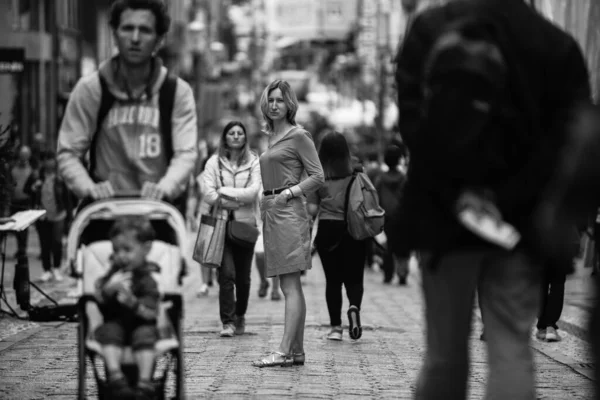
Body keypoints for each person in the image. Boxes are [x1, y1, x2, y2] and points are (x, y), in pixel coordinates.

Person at [394, 0, 591, 399]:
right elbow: (570, 144)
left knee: (444, 354)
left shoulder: (430, 27)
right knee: (511, 347)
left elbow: (415, 127)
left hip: (444, 215)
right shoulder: (557, 45)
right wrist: (514, 198)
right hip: (521, 222)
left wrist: (460, 194)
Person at [57, 0, 197, 207]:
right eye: (127, 28)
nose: (135, 38)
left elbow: (185, 154)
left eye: (145, 30)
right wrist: (89, 188)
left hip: (158, 210)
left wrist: (165, 187)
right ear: (114, 34)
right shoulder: (91, 89)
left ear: (159, 40)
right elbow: (68, 152)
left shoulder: (177, 92)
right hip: (104, 209)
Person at [252, 80, 324, 367]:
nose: (274, 105)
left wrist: (291, 191)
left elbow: (318, 176)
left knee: (290, 286)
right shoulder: (271, 137)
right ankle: (296, 352)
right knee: (290, 285)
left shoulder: (299, 136)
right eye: (270, 100)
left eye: (280, 100)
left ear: (289, 103)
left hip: (288, 211)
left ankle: (283, 350)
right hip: (272, 211)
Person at [200, 121, 261, 337]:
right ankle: (227, 321)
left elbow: (254, 192)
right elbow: (207, 193)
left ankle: (240, 314)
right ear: (225, 137)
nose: (235, 136)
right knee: (226, 273)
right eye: (231, 133)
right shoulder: (213, 163)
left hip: (245, 225)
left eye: (239, 133)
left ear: (245, 138)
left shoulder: (254, 162)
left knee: (243, 277)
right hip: (220, 224)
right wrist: (232, 199)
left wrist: (224, 192)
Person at [307, 131, 367, 341]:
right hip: (355, 230)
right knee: (355, 278)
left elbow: (312, 210)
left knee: (333, 281)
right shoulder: (357, 170)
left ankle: (335, 328)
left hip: (327, 231)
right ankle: (353, 307)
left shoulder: (317, 175)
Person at [93, 216, 161, 399]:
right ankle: (116, 378)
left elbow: (151, 310)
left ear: (146, 249)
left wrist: (134, 303)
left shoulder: (146, 278)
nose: (121, 255)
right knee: (108, 331)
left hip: (140, 322)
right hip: (116, 321)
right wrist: (108, 288)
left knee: (146, 334)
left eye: (128, 250)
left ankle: (144, 382)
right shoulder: (113, 273)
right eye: (116, 250)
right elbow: (99, 296)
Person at [25, 153, 72, 282]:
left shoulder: (60, 178)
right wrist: (33, 188)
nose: (49, 163)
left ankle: (56, 268)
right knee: (44, 244)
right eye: (46, 160)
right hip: (42, 216)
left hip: (58, 215)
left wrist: (69, 215)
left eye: (51, 160)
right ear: (43, 162)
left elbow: (68, 197)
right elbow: (26, 189)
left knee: (57, 243)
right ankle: (46, 270)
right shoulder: (36, 176)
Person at [374, 144, 409, 285]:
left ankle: (388, 273)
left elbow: (375, 197)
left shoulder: (380, 179)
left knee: (387, 245)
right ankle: (402, 273)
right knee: (403, 245)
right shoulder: (404, 178)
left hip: (386, 216)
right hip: (402, 216)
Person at [10, 145, 35, 258]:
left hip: (25, 201)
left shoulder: (32, 169)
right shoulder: (13, 168)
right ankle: (19, 247)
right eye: (22, 154)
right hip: (14, 201)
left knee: (24, 227)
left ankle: (22, 249)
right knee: (15, 226)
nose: (24, 157)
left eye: (26, 155)